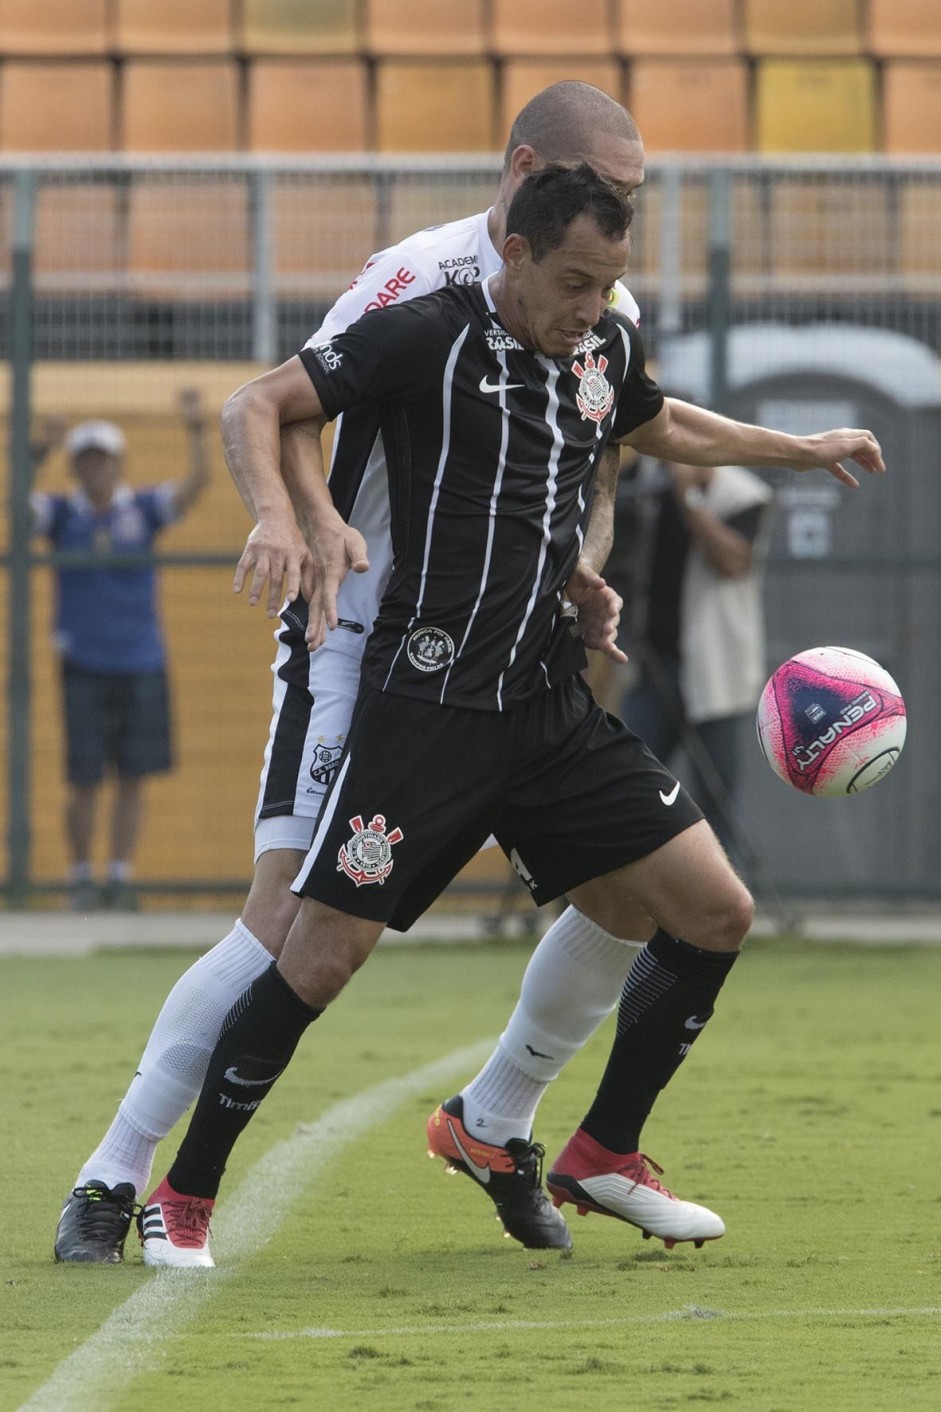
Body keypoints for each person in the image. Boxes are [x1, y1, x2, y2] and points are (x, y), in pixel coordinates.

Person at [131, 164, 883, 1268]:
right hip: (423, 705)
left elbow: (655, 420)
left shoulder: (601, 346)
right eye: (575, 281)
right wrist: (294, 519)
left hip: (543, 703)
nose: (592, 307)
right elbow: (263, 401)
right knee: (318, 954)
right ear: (516, 255)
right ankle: (180, 1195)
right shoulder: (420, 332)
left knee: (714, 910)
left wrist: (799, 447)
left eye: (609, 284)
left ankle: (601, 1151)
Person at [55, 81, 663, 1264]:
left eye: (633, 198)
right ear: (530, 167)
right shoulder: (417, 275)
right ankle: (112, 1173)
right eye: (609, 185)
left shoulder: (592, 293)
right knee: (283, 921)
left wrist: (587, 560)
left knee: (631, 894)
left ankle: (497, 1122)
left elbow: (616, 440)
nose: (620, 213)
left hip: (505, 665)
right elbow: (291, 398)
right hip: (365, 643)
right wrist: (313, 518)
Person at [31, 391, 210, 912]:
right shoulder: (62, 515)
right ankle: (82, 875)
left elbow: (195, 488)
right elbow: (17, 511)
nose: (95, 468)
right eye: (86, 459)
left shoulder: (143, 508)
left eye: (103, 459)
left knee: (133, 774)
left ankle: (119, 875)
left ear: (117, 463)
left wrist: (196, 431)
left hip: (142, 661)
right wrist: (35, 454)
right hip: (82, 663)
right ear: (74, 466)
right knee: (84, 777)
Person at [615, 450, 774, 862]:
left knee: (715, 795)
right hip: (654, 665)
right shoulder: (648, 487)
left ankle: (722, 900)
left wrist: (689, 496)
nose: (676, 463)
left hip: (715, 669)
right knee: (624, 781)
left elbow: (733, 562)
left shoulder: (743, 493)